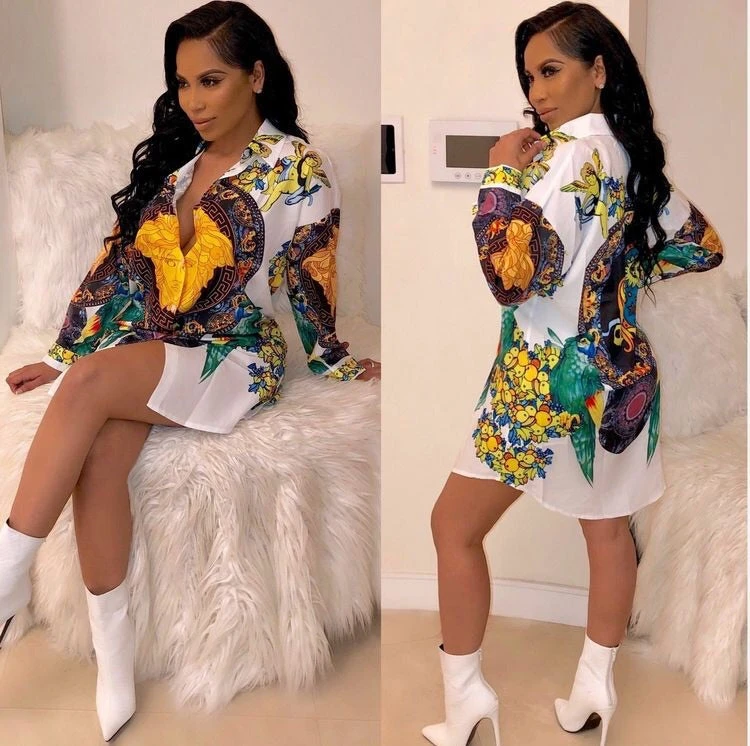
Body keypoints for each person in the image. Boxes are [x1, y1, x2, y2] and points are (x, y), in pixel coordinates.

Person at [1, 1, 381, 740]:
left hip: (231, 354)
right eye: (182, 84)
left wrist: (335, 359)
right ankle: (114, 666)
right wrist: (61, 350)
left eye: (211, 80)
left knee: (90, 385)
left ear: (256, 76)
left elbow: (311, 276)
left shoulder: (298, 168)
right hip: (152, 340)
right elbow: (118, 267)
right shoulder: (176, 169)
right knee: (99, 458)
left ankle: (5, 577)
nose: (194, 101)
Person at [423, 3, 723, 746]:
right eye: (529, 77)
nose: (538, 91)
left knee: (452, 527)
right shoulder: (631, 159)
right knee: (608, 533)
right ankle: (594, 690)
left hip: (545, 384)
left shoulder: (568, 155)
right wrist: (616, 279)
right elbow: (702, 243)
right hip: (619, 377)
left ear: (599, 69)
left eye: (551, 70)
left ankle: (466, 703)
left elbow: (511, 278)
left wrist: (501, 172)